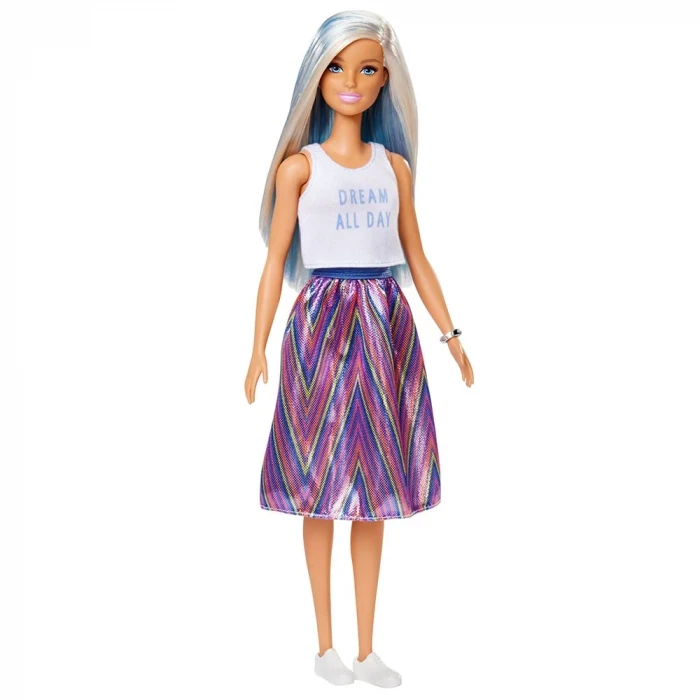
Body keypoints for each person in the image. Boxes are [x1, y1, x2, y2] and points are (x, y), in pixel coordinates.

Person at [244, 10, 474, 688]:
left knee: (374, 490)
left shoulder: (394, 168)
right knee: (319, 484)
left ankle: (367, 649)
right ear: (316, 78)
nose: (350, 81)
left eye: (367, 68)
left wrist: (451, 334)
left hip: (383, 322)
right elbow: (274, 262)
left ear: (384, 80)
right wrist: (257, 347)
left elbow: (416, 255)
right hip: (320, 323)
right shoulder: (298, 169)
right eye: (337, 67)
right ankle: (325, 647)